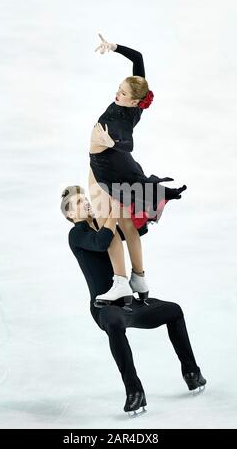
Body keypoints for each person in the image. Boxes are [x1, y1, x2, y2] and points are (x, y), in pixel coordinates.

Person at [61, 185, 207, 416]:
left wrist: (151, 206)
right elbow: (101, 242)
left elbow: (134, 233)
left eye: (85, 199)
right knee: (115, 324)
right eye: (78, 203)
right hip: (105, 307)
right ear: (70, 215)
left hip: (129, 303)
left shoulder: (103, 224)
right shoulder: (77, 235)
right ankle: (134, 392)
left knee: (174, 311)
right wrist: (113, 211)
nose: (86, 203)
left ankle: (191, 372)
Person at [89, 34, 187, 307]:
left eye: (122, 92)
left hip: (107, 170)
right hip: (106, 164)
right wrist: (115, 47)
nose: (117, 93)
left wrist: (113, 142)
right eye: (119, 88)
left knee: (106, 223)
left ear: (134, 102)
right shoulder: (134, 100)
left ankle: (120, 282)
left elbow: (127, 143)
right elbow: (139, 59)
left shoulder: (123, 118)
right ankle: (139, 279)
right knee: (126, 223)